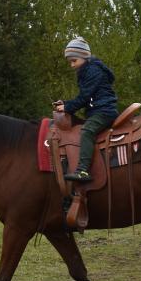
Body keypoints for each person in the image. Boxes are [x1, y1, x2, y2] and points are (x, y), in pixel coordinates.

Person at [53, 37, 118, 182]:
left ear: (84, 57)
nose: (71, 65)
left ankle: (82, 170)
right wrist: (65, 103)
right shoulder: (87, 70)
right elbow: (85, 97)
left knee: (87, 131)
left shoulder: (93, 71)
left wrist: (67, 107)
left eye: (74, 60)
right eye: (70, 61)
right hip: (98, 109)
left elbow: (84, 97)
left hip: (104, 111)